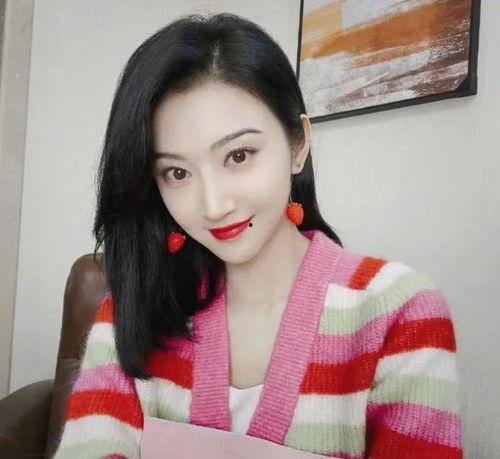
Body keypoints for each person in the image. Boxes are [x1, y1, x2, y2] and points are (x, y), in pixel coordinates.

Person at [51, 12, 463, 459]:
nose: (213, 206)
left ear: (298, 145)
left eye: (239, 155)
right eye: (177, 172)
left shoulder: (399, 312)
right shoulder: (133, 307)